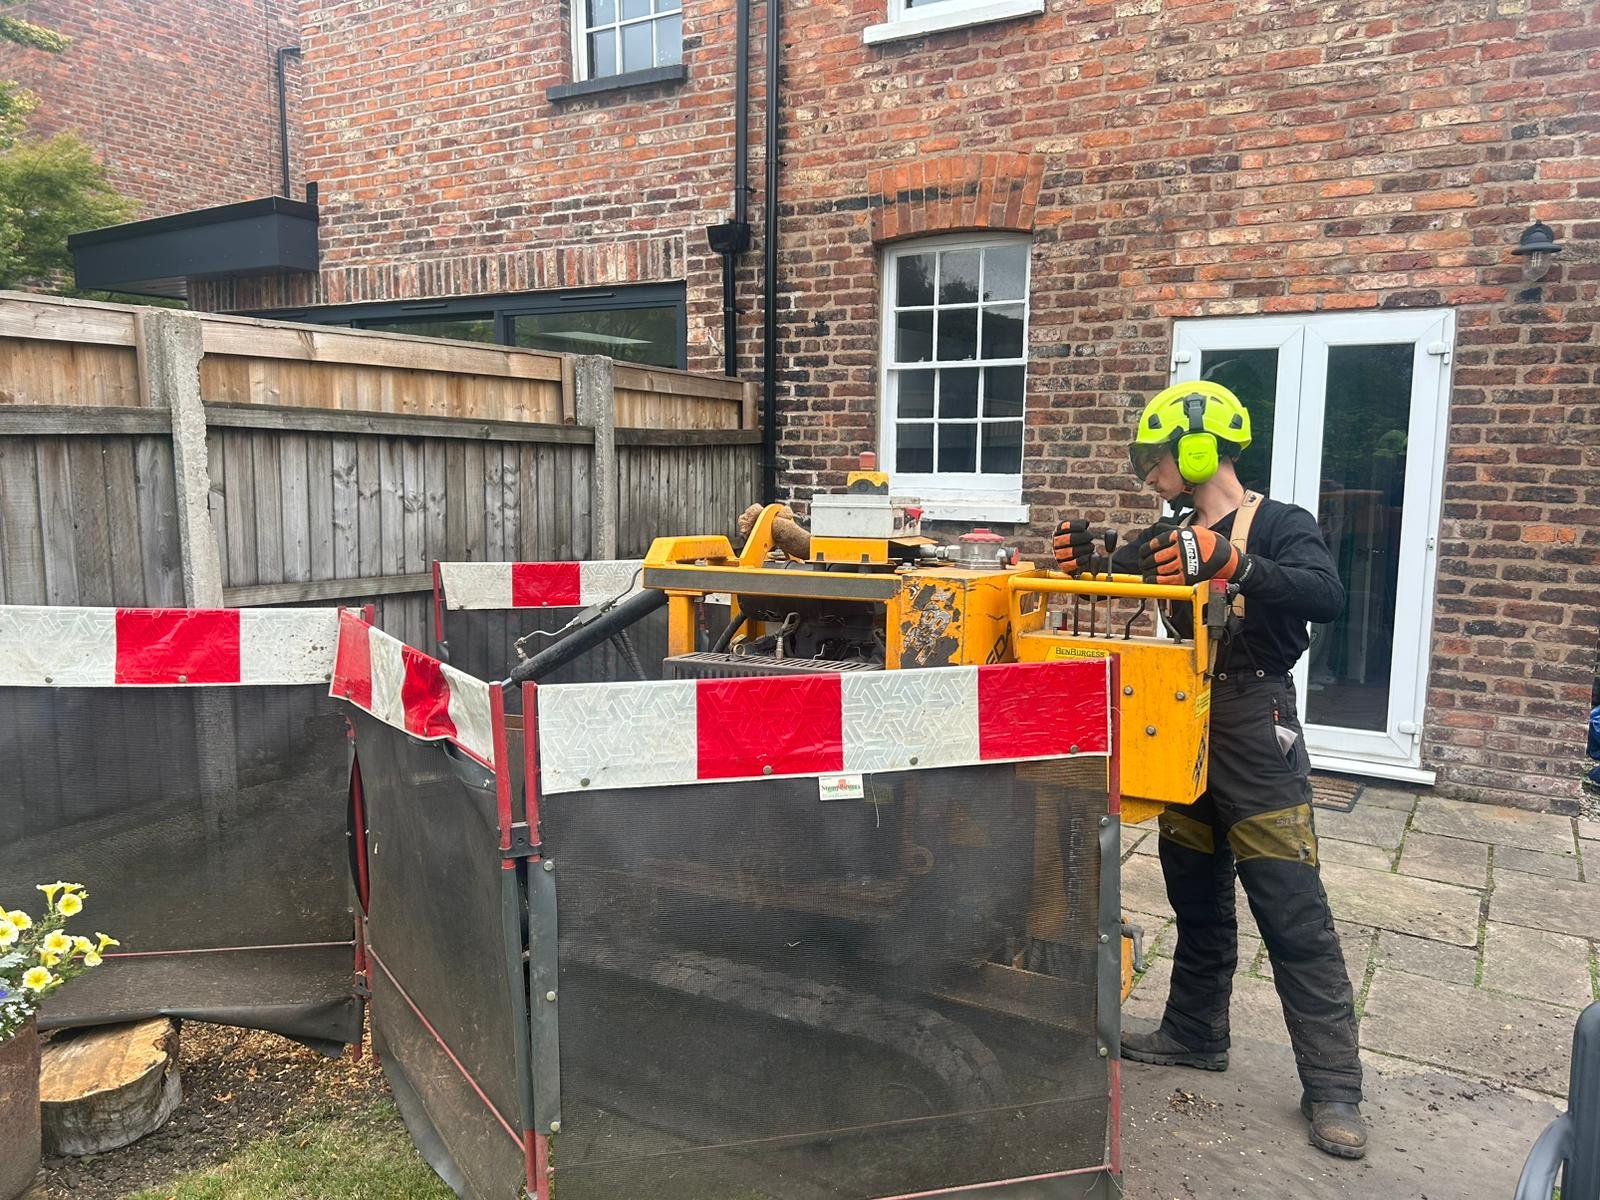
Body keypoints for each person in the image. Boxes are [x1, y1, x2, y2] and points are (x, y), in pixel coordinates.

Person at [1053, 381, 1366, 1159]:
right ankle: (1195, 1032)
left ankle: (1334, 1088)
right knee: (1193, 889)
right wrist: (1088, 563)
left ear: (1198, 449)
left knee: (1291, 907)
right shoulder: (1170, 534)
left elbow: (1327, 595)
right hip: (1184, 721)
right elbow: (1120, 575)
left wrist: (1238, 563)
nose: (1148, 474)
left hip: (1258, 725)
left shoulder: (1282, 523)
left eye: (1155, 459)